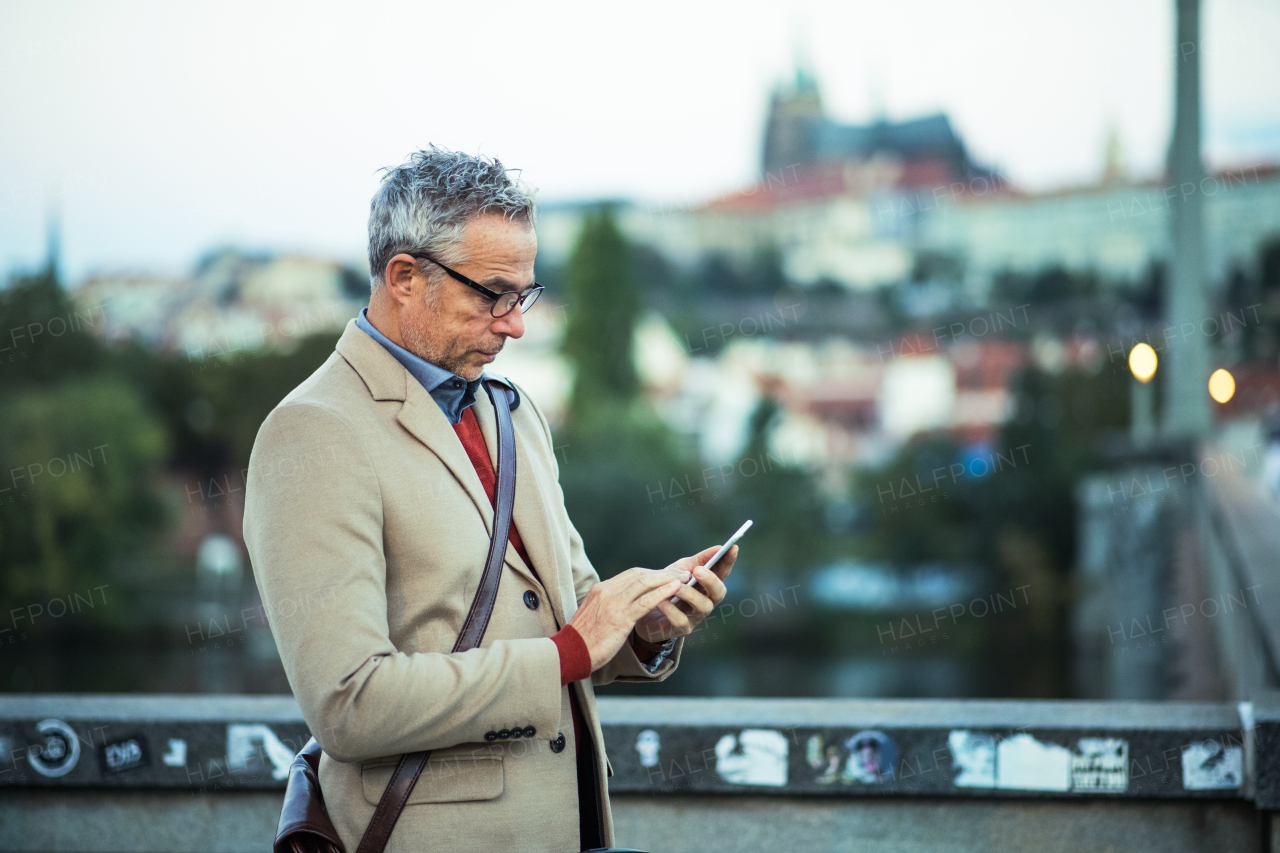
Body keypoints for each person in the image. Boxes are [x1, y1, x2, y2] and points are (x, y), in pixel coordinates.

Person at [242, 146, 735, 853]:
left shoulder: (513, 411)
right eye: (492, 293)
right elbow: (348, 703)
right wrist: (567, 652)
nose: (516, 323)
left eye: (524, 294)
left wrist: (644, 629)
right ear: (405, 277)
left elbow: (574, 611)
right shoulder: (313, 431)